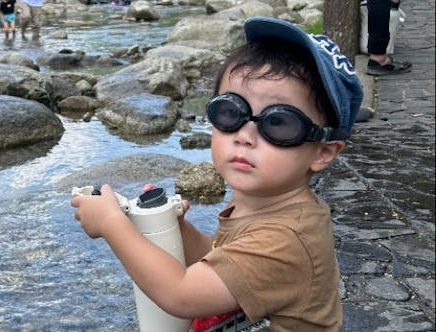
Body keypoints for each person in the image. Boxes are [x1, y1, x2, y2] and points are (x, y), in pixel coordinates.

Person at [71, 16, 364, 331]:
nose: (245, 135)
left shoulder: (286, 240)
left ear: (322, 152)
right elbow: (220, 260)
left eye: (278, 123)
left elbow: (180, 295)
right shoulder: (262, 202)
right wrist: (178, 229)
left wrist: (111, 224)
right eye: (231, 112)